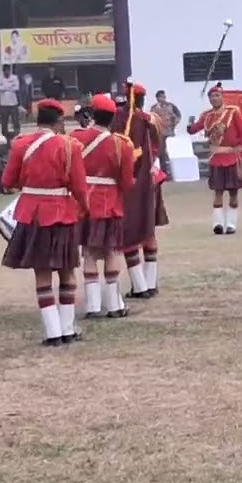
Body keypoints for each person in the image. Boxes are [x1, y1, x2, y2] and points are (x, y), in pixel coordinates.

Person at [0, 99, 88, 347]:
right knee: (67, 271)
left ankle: (52, 332)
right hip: (62, 212)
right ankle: (68, 329)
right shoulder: (70, 147)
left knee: (42, 274)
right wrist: (85, 208)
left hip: (32, 213)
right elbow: (79, 187)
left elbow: (7, 181)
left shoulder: (21, 145)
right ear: (59, 121)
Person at [70, 94, 136, 319]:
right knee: (112, 252)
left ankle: (93, 306)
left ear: (92, 114)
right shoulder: (122, 144)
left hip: (83, 203)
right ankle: (114, 305)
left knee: (88, 252)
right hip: (110, 203)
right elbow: (127, 182)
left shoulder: (76, 138)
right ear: (113, 118)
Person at [112, 82, 160, 300]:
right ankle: (151, 282)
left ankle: (140, 286)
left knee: (129, 233)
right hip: (151, 180)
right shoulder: (152, 120)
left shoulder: (121, 119)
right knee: (148, 230)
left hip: (130, 182)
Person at [187, 83, 242, 234]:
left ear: (222, 97)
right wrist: (189, 126)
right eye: (211, 96)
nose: (214, 98)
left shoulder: (233, 112)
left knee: (233, 192)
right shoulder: (207, 116)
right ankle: (217, 224)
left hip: (231, 156)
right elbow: (195, 129)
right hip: (216, 157)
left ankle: (231, 224)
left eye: (217, 96)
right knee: (217, 192)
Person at [150, 90, 181, 171]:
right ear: (157, 98)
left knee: (172, 152)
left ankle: (175, 170)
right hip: (160, 133)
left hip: (170, 132)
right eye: (161, 97)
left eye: (164, 97)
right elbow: (151, 119)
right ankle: (165, 171)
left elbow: (178, 115)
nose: (163, 99)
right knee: (162, 152)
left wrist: (174, 124)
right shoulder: (154, 108)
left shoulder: (171, 106)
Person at [0, 64, 21, 140]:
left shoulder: (14, 77)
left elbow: (16, 88)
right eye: (6, 71)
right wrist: (11, 86)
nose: (7, 72)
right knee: (4, 122)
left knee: (15, 121)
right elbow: (0, 88)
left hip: (13, 103)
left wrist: (6, 86)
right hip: (4, 104)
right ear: (3, 71)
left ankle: (18, 136)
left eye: (8, 70)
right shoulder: (0, 78)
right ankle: (4, 137)